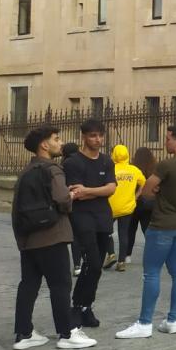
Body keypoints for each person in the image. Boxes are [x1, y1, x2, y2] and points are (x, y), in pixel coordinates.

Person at [12, 126, 97, 350]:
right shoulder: (53, 169)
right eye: (56, 139)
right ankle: (67, 333)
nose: (61, 143)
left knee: (28, 285)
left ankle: (23, 333)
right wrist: (72, 195)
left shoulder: (26, 172)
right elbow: (62, 200)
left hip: (29, 239)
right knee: (60, 285)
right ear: (44, 145)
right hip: (53, 237)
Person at [116, 126, 176, 339]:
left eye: (168, 139)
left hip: (163, 223)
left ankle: (145, 322)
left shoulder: (167, 165)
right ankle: (173, 319)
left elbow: (147, 190)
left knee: (151, 272)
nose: (166, 142)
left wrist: (158, 190)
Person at [63, 119, 117, 329]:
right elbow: (76, 193)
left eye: (101, 135)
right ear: (84, 136)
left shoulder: (106, 161)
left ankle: (86, 306)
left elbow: (111, 188)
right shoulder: (73, 162)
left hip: (103, 217)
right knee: (92, 263)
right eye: (93, 135)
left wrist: (89, 191)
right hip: (82, 217)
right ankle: (77, 306)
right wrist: (95, 191)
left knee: (96, 267)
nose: (98, 139)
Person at [106, 145, 146, 272]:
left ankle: (111, 254)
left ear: (114, 155)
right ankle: (121, 262)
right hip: (127, 207)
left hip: (110, 206)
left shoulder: (110, 169)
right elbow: (144, 183)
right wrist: (136, 196)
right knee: (124, 234)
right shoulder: (134, 170)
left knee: (105, 231)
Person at [125, 147, 157, 265]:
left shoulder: (132, 169)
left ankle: (127, 255)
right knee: (147, 230)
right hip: (148, 204)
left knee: (130, 230)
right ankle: (152, 253)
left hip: (133, 203)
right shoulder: (154, 170)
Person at [60, 142, 83, 277]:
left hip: (71, 201)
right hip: (85, 200)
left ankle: (77, 265)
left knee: (75, 235)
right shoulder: (83, 162)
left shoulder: (63, 165)